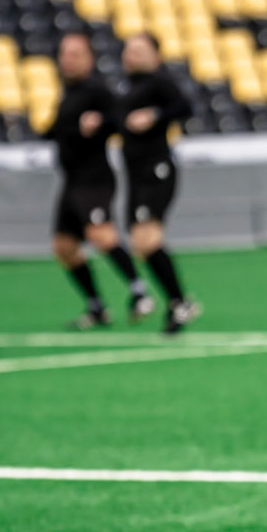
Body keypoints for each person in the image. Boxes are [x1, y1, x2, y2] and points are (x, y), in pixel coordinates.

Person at [48, 31, 153, 330]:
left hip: (94, 179)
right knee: (65, 247)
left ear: (89, 58)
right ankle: (96, 307)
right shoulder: (67, 91)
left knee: (101, 234)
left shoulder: (97, 91)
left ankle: (138, 291)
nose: (68, 60)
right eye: (65, 54)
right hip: (71, 181)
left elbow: (120, 119)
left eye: (75, 54)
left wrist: (101, 123)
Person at [119, 31, 201, 336]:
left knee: (146, 239)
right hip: (135, 174)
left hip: (156, 170)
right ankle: (177, 302)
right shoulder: (126, 86)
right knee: (141, 243)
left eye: (139, 50)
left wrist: (154, 115)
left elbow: (186, 108)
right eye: (129, 50)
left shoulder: (159, 82)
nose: (132, 56)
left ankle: (179, 302)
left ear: (155, 55)